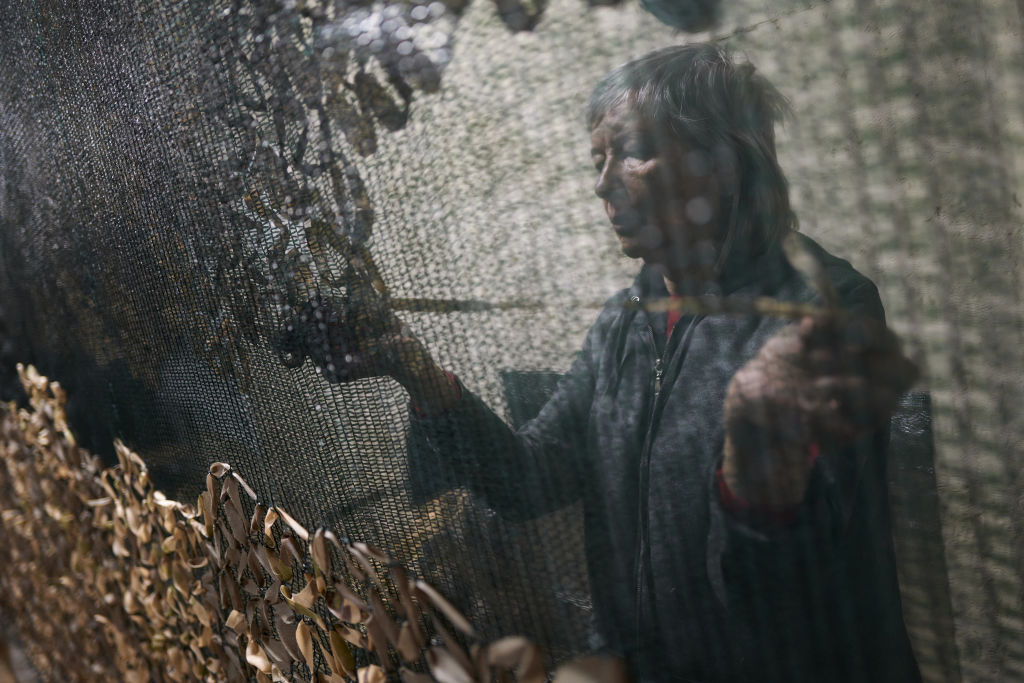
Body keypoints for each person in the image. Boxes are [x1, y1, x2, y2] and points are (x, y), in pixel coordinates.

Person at [296, 44, 921, 682]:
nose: (602, 183)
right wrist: (418, 373)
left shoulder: (823, 310)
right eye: (598, 159)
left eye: (630, 151)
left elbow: (795, 584)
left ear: (723, 162)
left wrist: (752, 469)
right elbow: (528, 481)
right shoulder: (630, 318)